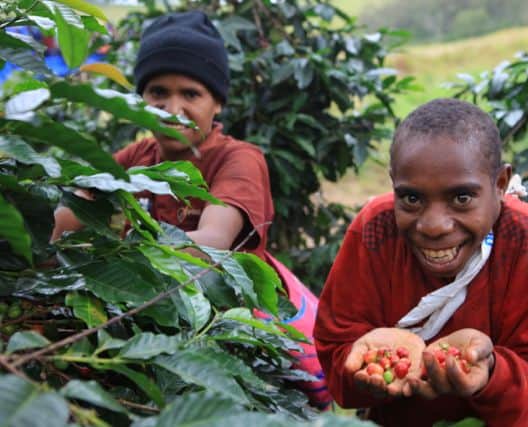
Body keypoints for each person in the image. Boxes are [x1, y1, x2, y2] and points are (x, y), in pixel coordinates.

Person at [51, 10, 331, 410]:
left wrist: (115, 250)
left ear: (217, 101)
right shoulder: (137, 158)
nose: (172, 108)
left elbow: (211, 243)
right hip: (157, 328)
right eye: (158, 92)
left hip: (225, 334)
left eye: (191, 94)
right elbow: (68, 218)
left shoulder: (238, 160)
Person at [313, 98, 528, 426]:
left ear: (500, 185)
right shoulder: (376, 231)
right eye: (411, 198)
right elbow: (337, 350)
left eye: (462, 198)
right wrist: (368, 364)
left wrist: (492, 374)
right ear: (394, 184)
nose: (434, 226)